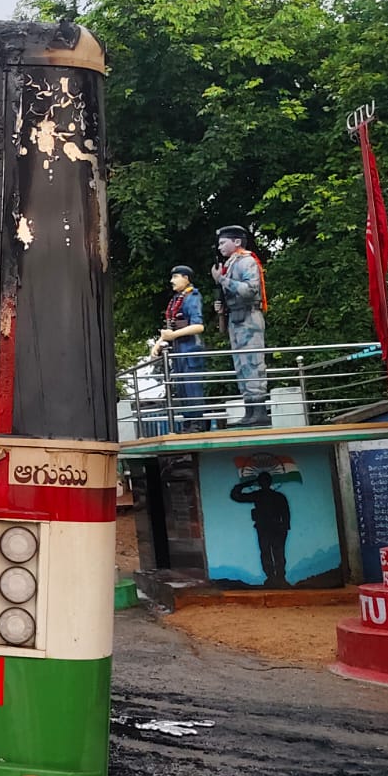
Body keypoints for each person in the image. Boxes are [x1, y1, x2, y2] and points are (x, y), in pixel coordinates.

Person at [212, 225, 269, 427]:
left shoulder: (246, 261)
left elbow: (250, 290)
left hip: (249, 317)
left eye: (222, 242)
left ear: (236, 242)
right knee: (241, 365)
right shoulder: (231, 263)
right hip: (235, 318)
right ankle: (249, 409)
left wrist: (223, 280)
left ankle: (259, 410)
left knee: (253, 362)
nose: (219, 247)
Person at [150, 265, 207, 431]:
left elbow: (198, 326)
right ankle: (188, 422)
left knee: (192, 386)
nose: (172, 281)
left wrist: (172, 336)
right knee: (182, 388)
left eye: (176, 277)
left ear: (186, 278)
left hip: (190, 348)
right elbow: (172, 325)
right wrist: (159, 342)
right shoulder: (176, 299)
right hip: (179, 350)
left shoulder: (192, 297)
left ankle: (197, 423)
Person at [229, 471, 290, 587]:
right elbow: (236, 496)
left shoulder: (271, 496)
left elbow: (286, 515)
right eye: (262, 481)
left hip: (274, 529)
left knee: (275, 553)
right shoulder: (261, 495)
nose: (264, 483)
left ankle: (278, 578)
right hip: (266, 529)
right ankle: (273, 578)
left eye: (264, 481)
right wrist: (247, 483)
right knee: (269, 553)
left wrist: (284, 528)